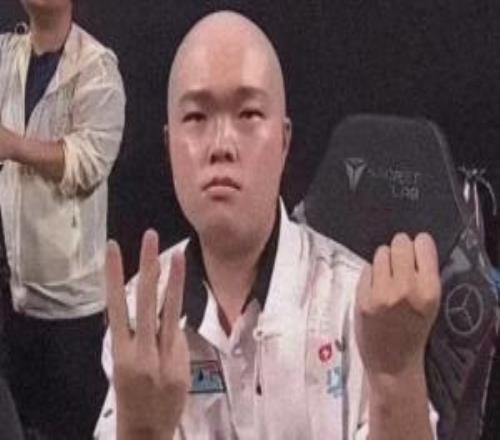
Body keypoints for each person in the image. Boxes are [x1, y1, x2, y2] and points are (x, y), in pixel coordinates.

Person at [95, 11, 440, 440]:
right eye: (197, 117)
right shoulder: (140, 316)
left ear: (284, 141)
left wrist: (396, 378)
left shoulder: (357, 305)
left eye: (249, 113)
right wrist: (141, 430)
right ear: (169, 147)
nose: (221, 145)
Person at [0, 0, 126, 438]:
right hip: (15, 299)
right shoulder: (7, 57)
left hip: (73, 311)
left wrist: (13, 145)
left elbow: (88, 163)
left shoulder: (97, 68)